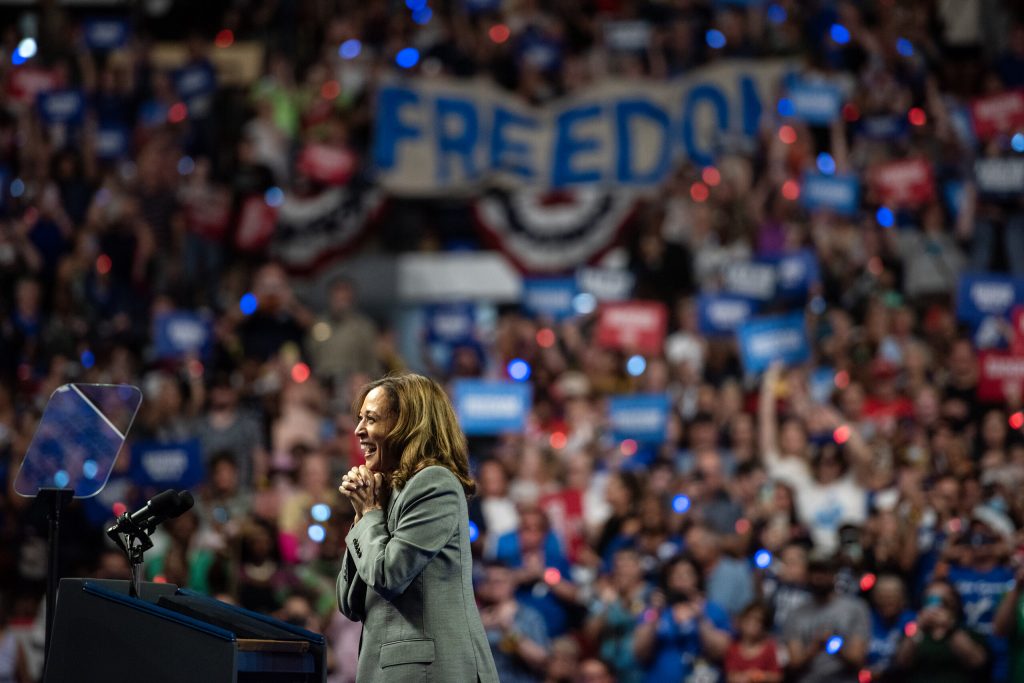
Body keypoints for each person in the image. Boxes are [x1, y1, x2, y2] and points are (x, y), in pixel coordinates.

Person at [336, 373, 499, 682]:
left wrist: (370, 512)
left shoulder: (434, 484)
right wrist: (363, 515)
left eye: (370, 419)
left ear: (407, 425)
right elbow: (349, 603)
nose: (358, 431)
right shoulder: (388, 492)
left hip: (428, 672)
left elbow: (389, 575)